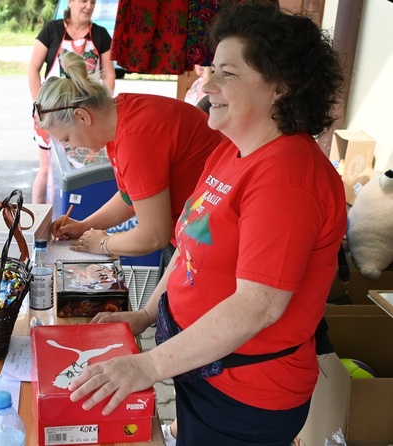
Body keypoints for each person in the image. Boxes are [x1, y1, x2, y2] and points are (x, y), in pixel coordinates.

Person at [67, 4, 347, 445]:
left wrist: (148, 365)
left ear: (282, 88)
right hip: (200, 366)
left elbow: (259, 306)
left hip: (246, 395)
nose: (207, 85)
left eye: (228, 74)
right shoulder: (229, 149)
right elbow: (187, 247)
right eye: (211, 69)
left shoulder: (288, 177)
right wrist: (145, 314)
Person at [37, 51, 224, 260]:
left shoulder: (135, 139)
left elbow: (154, 235)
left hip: (215, 241)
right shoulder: (120, 114)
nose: (70, 147)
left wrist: (102, 244)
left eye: (66, 138)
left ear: (81, 116)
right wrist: (84, 226)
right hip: (196, 234)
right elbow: (132, 198)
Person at [28, 0, 116, 204]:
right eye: (84, 1)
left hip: (85, 116)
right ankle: (37, 217)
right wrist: (40, 106)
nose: (89, 6)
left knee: (83, 173)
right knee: (47, 168)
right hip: (51, 112)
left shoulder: (101, 34)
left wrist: (101, 109)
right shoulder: (52, 29)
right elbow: (33, 69)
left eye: (93, 2)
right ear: (70, 2)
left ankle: (77, 217)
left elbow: (108, 75)